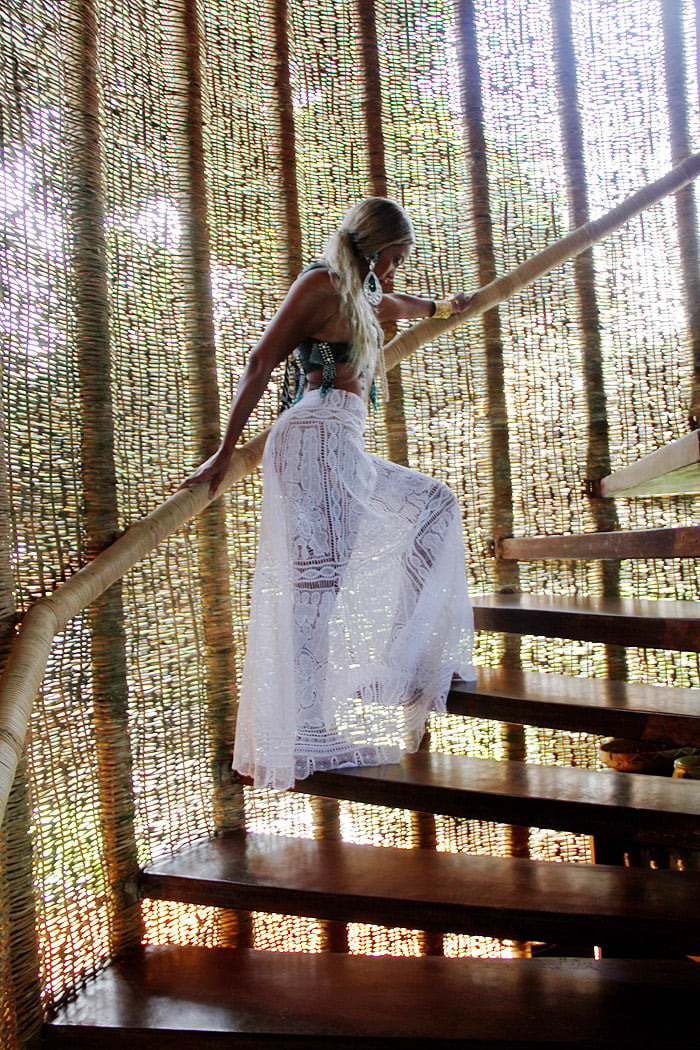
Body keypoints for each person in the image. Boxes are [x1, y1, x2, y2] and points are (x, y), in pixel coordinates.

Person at [182, 198, 476, 791]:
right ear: (370, 248)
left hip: (343, 444)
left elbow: (415, 307)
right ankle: (309, 728)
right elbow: (261, 361)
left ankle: (402, 659)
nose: (394, 272)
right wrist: (224, 449)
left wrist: (449, 306)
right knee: (317, 585)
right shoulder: (321, 285)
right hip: (313, 437)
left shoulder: (367, 298)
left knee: (435, 505)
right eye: (392, 259)